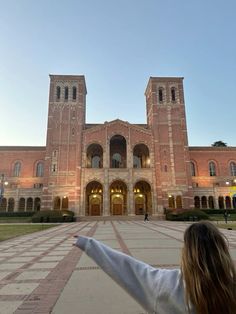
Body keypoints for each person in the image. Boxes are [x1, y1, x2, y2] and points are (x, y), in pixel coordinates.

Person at [74, 222, 236, 314]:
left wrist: (89, 244)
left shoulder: (168, 285)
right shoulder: (231, 287)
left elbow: (128, 269)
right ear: (222, 249)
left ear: (187, 252)